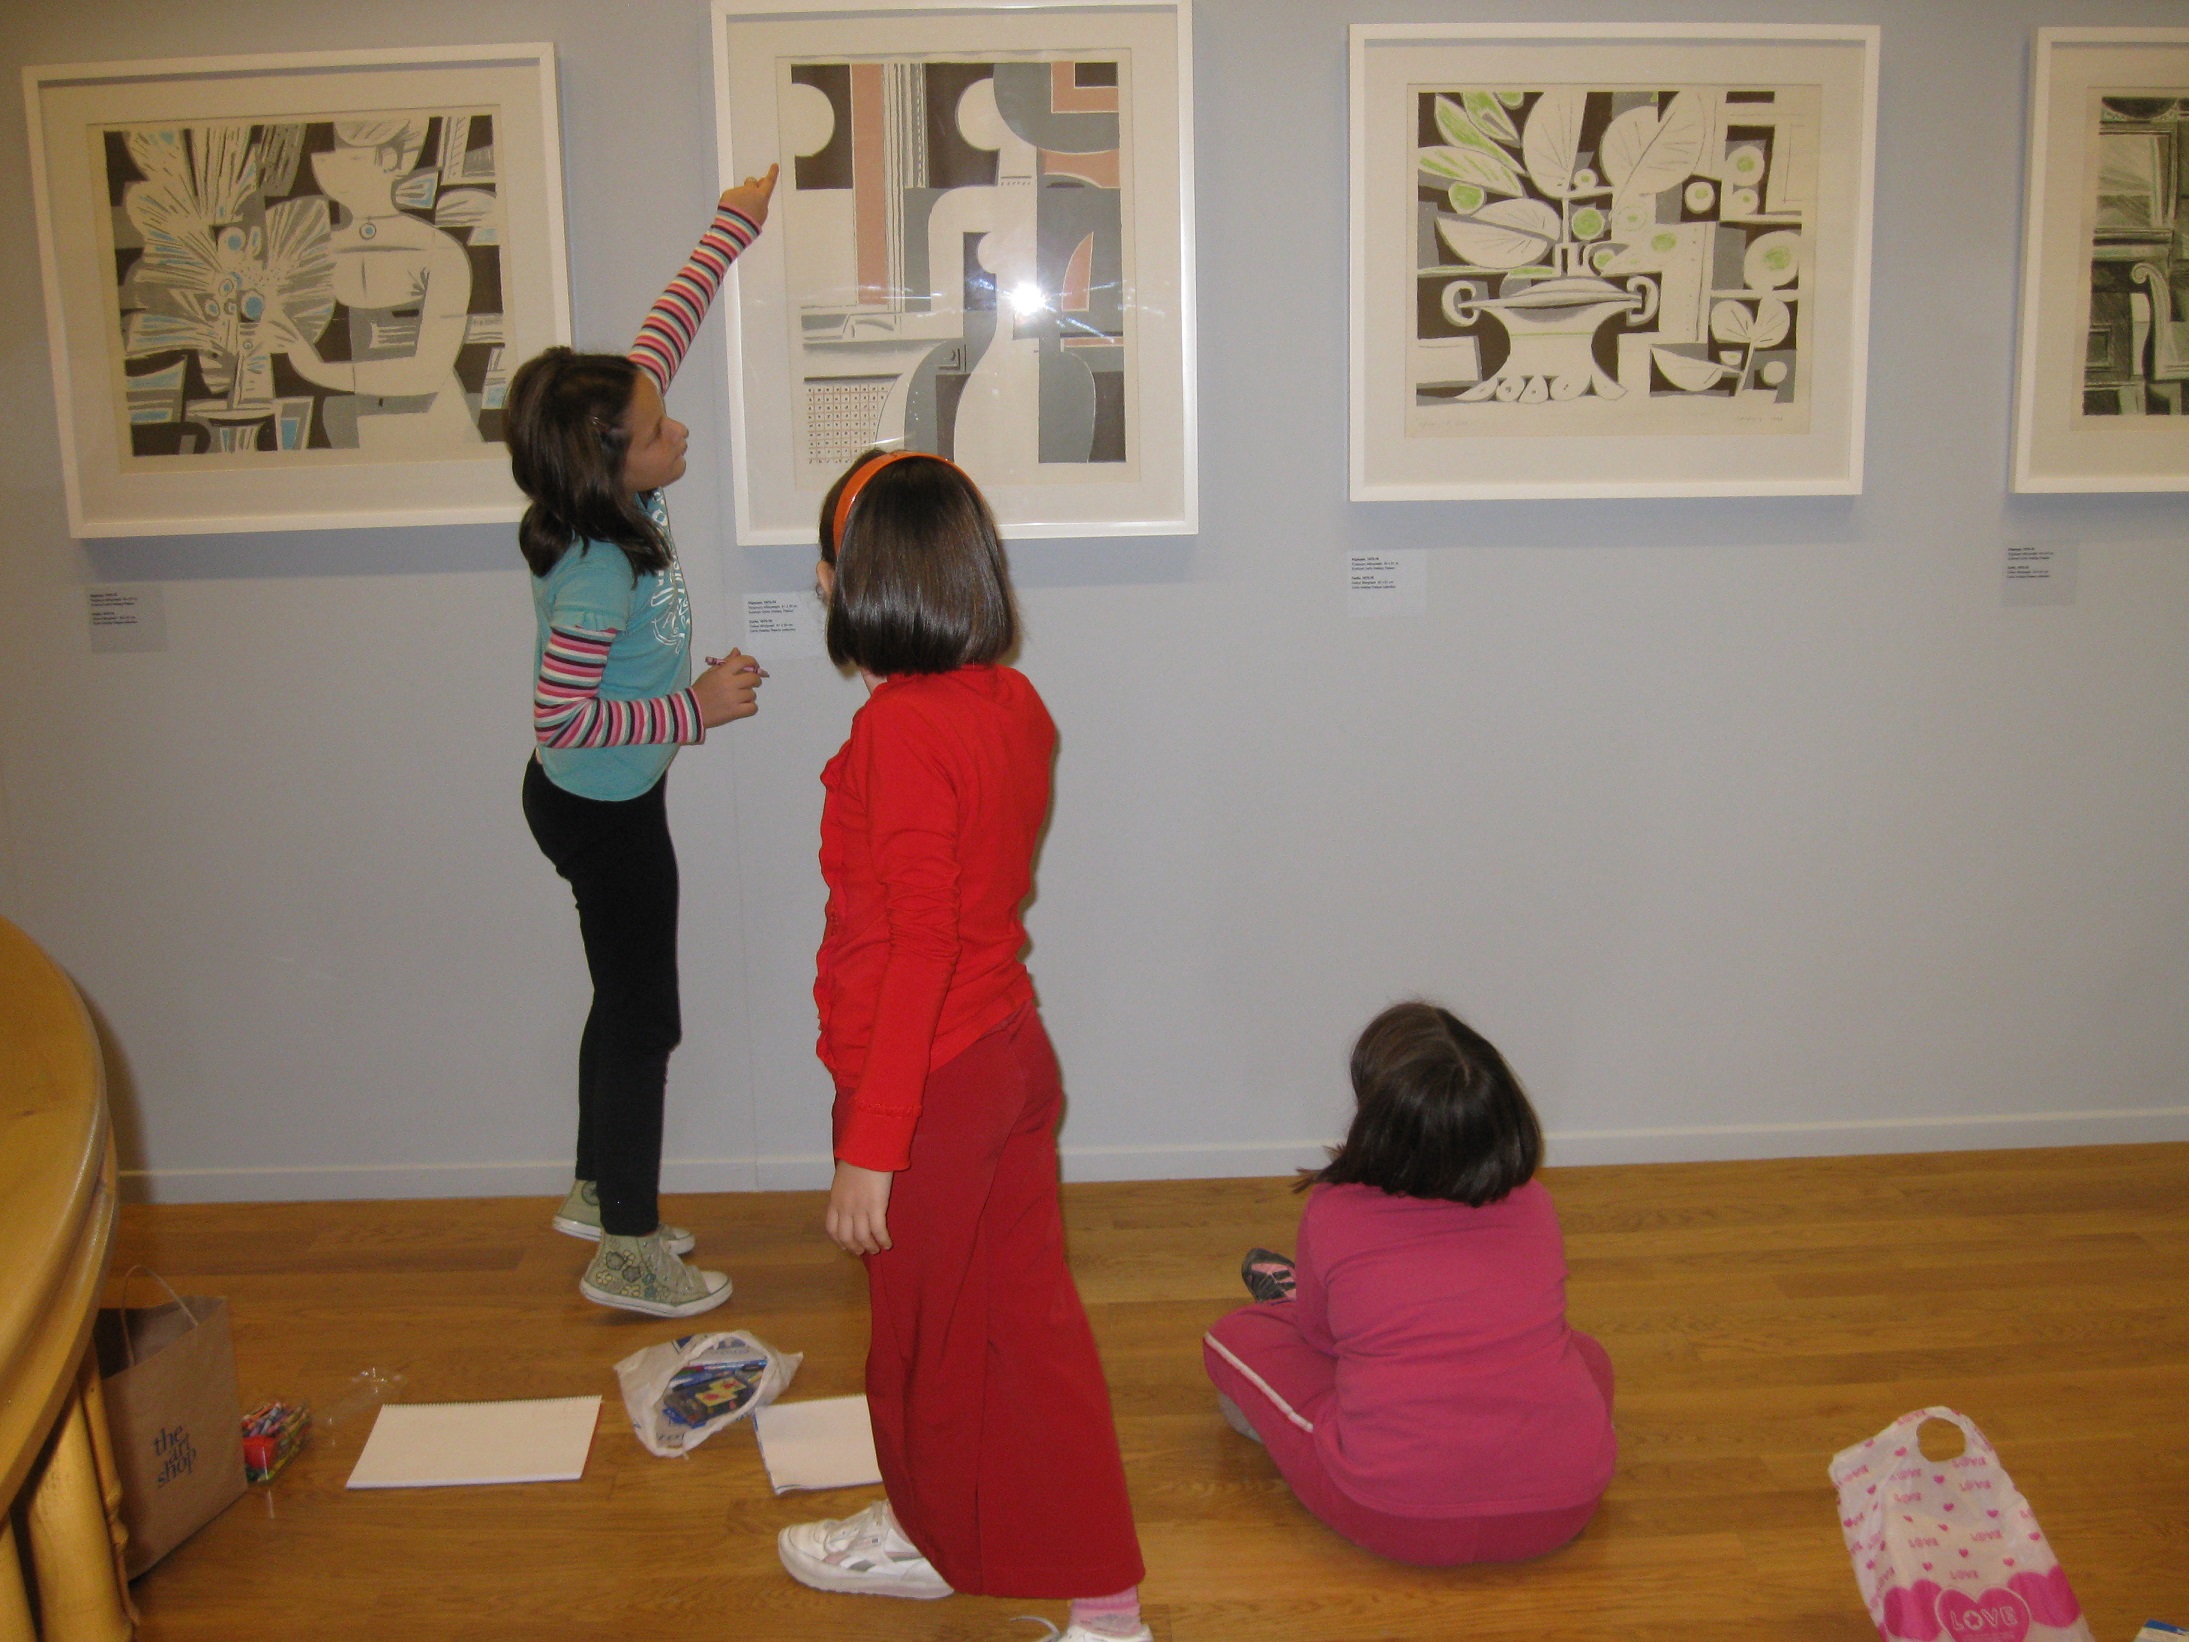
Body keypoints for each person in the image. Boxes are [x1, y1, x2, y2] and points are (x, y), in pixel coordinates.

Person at [775, 451, 1149, 1642]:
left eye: (825, 566)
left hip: (929, 1087)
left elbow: (922, 947)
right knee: (1021, 1333)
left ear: (851, 581)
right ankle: (1092, 1600)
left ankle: (952, 1543)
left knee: (923, 1355)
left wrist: (870, 1145)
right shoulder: (1007, 704)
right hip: (1005, 1060)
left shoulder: (898, 733)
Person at [504, 167, 779, 1318]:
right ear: (608, 466)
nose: (678, 434)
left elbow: (669, 322)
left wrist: (732, 224)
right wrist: (695, 709)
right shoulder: (596, 573)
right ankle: (625, 1245)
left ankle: (591, 1186)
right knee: (644, 1017)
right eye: (659, 435)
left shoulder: (613, 461)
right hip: (597, 803)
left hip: (607, 792)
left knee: (618, 1001)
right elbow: (560, 716)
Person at [1202, 1001, 1616, 1566]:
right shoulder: (1534, 1203)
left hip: (1393, 1515)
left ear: (1376, 1117)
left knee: (1233, 1337)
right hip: (1565, 1507)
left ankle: (1303, 1312)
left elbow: (1322, 1342)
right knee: (1585, 1355)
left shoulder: (1334, 1210)